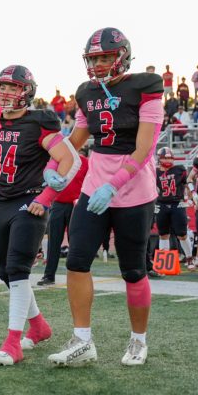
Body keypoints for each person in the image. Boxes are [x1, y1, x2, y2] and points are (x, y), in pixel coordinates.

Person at [47, 27, 163, 366]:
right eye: (94, 58)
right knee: (77, 260)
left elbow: (144, 148)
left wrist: (115, 184)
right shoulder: (85, 92)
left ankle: (138, 341)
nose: (98, 64)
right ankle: (82, 340)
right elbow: (76, 138)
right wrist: (54, 164)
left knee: (133, 270)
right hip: (93, 186)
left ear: (122, 55)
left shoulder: (145, 87)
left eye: (105, 57)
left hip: (134, 188)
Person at [0, 65, 81, 365]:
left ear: (27, 92)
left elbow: (68, 160)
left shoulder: (39, 122)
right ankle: (39, 327)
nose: (6, 93)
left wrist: (46, 198)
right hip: (0, 201)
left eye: (13, 88)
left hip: (29, 201)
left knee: (18, 268)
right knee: (5, 272)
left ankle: (13, 343)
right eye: (2, 87)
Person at [37, 153, 88, 286]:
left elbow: (89, 182)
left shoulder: (85, 162)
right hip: (58, 204)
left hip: (76, 205)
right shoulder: (59, 160)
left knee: (75, 243)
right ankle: (49, 276)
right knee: (54, 241)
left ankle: (77, 276)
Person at [155, 147, 193, 265]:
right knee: (163, 234)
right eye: (166, 158)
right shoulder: (155, 171)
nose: (169, 160)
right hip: (161, 204)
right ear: (159, 159)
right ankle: (164, 262)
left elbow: (187, 184)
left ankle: (189, 258)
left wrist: (192, 197)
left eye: (170, 157)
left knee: (182, 234)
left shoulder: (179, 169)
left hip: (177, 203)